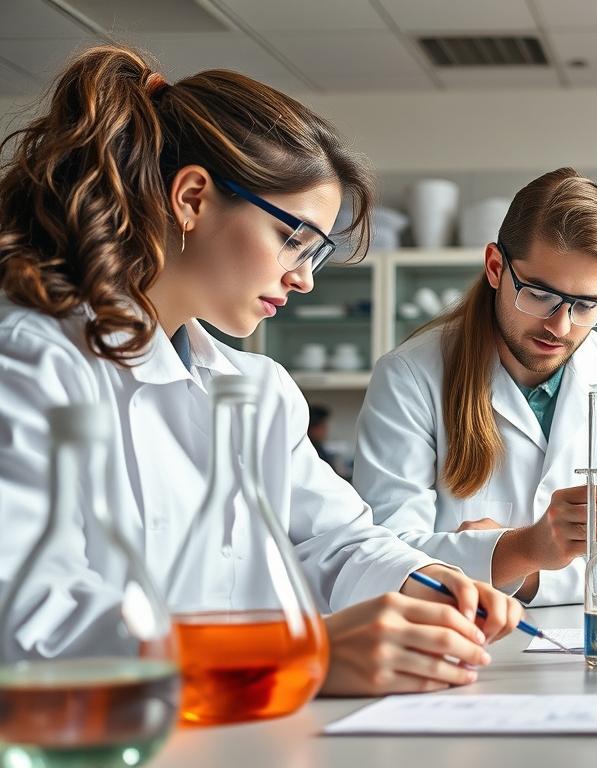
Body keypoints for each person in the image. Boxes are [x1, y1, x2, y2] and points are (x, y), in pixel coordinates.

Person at [0, 46, 521, 696]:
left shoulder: (252, 390)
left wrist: (427, 580)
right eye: (292, 239)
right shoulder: (32, 362)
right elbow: (27, 623)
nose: (303, 278)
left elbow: (333, 542)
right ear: (192, 198)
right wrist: (304, 657)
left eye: (316, 254)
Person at [354, 168, 597, 607]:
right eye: (539, 294)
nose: (560, 326)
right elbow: (386, 559)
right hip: (463, 647)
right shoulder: (409, 376)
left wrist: (517, 569)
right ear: (496, 267)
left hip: (592, 648)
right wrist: (526, 549)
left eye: (587, 304)